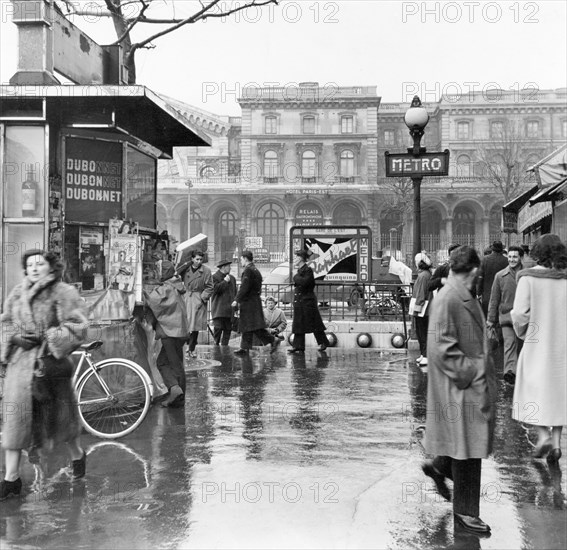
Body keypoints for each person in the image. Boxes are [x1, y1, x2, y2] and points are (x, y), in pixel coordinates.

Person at [0, 250, 89, 501]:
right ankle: (11, 480)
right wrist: (12, 337)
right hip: (20, 367)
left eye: (40, 264)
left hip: (48, 368)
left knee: (62, 424)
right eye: (29, 265)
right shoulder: (17, 293)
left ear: (50, 267)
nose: (34, 268)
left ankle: (77, 455)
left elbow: (79, 325)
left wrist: (50, 338)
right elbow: (5, 322)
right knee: (15, 424)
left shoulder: (63, 292)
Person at [421, 245, 496, 535]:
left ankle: (440, 467)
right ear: (475, 271)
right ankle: (466, 513)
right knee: (468, 451)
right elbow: (441, 347)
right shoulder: (450, 297)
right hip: (461, 389)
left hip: (462, 387)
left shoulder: (456, 293)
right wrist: (473, 373)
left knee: (465, 448)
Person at [511, 234, 567, 463]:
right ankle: (556, 441)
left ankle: (543, 435)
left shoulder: (527, 279)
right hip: (563, 344)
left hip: (537, 342)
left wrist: (523, 333)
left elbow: (520, 314)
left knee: (537, 389)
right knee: (559, 390)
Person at [144, 261, 189, 408]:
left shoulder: (166, 288)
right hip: (180, 330)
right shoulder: (175, 285)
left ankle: (175, 390)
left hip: (171, 331)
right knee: (176, 363)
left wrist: (142, 291)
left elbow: (152, 300)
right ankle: (178, 397)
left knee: (165, 363)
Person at [486, 245, 524, 385]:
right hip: (507, 317)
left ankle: (523, 371)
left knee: (524, 345)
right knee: (509, 344)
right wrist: (490, 319)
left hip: (525, 317)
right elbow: (494, 299)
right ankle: (510, 372)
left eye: (515, 257)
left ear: (521, 257)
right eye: (510, 257)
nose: (512, 259)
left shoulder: (527, 274)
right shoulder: (500, 276)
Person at [231, 251, 276, 355]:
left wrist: (236, 300)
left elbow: (244, 287)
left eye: (241, 259)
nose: (240, 261)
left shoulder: (248, 271)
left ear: (245, 259)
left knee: (253, 326)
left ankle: (272, 340)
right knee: (249, 326)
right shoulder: (255, 270)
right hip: (254, 302)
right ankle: (244, 348)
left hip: (249, 303)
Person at [288, 250, 330, 354]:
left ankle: (323, 342)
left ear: (301, 258)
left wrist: (295, 276)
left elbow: (305, 282)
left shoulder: (307, 270)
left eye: (296, 257)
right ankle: (298, 346)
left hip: (307, 302)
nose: (294, 260)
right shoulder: (300, 270)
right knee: (298, 324)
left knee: (314, 324)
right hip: (300, 301)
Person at [178, 249, 214, 358]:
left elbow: (210, 287)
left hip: (197, 298)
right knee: (185, 324)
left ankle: (192, 348)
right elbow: (176, 273)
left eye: (201, 259)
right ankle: (184, 347)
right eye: (197, 259)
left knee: (195, 326)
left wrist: (202, 298)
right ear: (192, 259)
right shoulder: (186, 269)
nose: (199, 261)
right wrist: (185, 264)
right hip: (186, 298)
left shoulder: (206, 271)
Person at [476, 240, 508, 317]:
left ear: (492, 249)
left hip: (487, 293)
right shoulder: (506, 261)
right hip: (502, 294)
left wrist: (478, 292)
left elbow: (480, 277)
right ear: (501, 250)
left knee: (487, 316)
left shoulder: (484, 260)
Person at [412, 251, 433, 366]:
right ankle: (423, 354)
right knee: (422, 332)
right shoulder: (426, 274)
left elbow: (420, 294)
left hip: (423, 310)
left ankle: (425, 355)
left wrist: (416, 309)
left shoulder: (422, 276)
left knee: (423, 332)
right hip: (426, 309)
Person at [210, 259, 237, 346]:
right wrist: (225, 282)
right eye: (228, 266)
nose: (230, 268)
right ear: (223, 267)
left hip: (229, 311)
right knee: (217, 330)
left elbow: (235, 293)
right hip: (219, 310)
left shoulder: (232, 278)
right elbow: (215, 290)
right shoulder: (214, 277)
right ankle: (215, 349)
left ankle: (225, 351)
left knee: (227, 332)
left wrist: (236, 305)